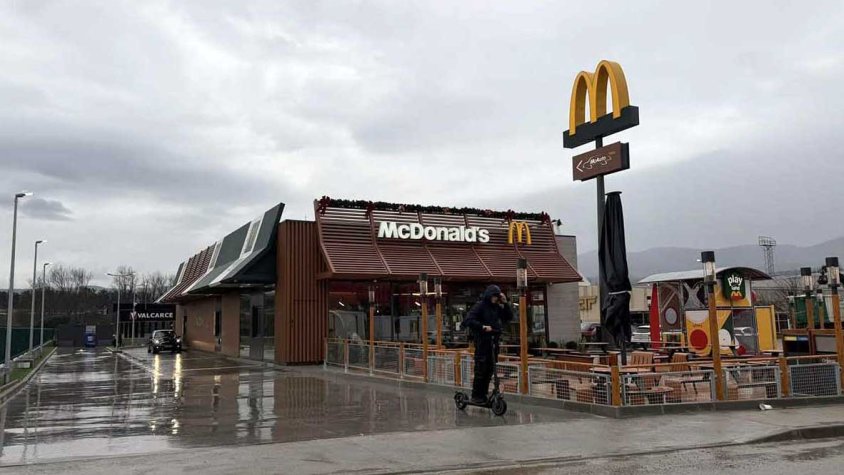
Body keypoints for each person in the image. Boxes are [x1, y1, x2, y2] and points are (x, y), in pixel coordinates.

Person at [462, 285, 513, 404]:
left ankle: (483, 394)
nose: (495, 299)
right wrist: (482, 327)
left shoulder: (496, 308)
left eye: (497, 296)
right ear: (489, 296)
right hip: (482, 341)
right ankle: (476, 395)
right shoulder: (480, 306)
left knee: (490, 369)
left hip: (493, 341)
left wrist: (505, 303)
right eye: (494, 296)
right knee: (481, 369)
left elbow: (508, 317)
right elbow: (468, 320)